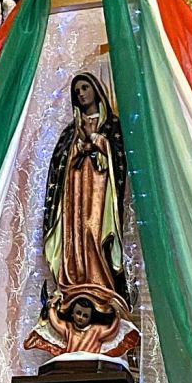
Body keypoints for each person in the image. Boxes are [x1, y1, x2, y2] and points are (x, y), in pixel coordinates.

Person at [42, 72, 129, 309]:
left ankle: (101, 285)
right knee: (76, 235)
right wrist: (78, 146)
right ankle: (75, 283)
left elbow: (118, 158)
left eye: (85, 88)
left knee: (94, 233)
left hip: (100, 192)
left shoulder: (111, 125)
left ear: (96, 90)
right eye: (77, 91)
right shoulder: (71, 130)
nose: (81, 94)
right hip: (76, 192)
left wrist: (95, 139)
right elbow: (60, 163)